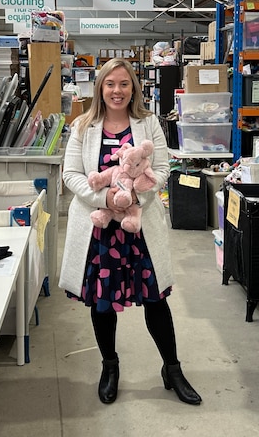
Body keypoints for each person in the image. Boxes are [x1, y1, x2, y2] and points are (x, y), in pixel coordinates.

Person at [59, 58, 202, 406]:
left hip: (139, 230)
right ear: (100, 88)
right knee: (103, 304)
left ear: (133, 88)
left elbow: (164, 167)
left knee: (156, 301)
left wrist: (135, 195)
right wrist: (105, 195)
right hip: (101, 232)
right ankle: (110, 367)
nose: (117, 91)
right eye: (110, 84)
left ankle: (172, 368)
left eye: (124, 84)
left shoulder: (148, 122)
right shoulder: (83, 125)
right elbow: (71, 174)